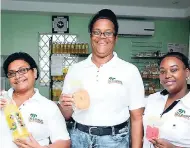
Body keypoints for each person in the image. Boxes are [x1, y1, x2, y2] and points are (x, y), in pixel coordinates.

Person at [58, 9, 145, 148]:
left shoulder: (130, 71)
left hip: (115, 141)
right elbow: (66, 114)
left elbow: (137, 118)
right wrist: (64, 106)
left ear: (116, 38)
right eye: (97, 32)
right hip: (79, 138)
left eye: (108, 33)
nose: (102, 37)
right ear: (91, 36)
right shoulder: (75, 70)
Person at [0, 52, 70, 148]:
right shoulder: (2, 100)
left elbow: (64, 142)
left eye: (22, 70)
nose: (17, 76)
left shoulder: (49, 106)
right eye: (11, 73)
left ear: (35, 72)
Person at [143, 52, 190, 148]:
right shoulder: (152, 99)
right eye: (162, 71)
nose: (167, 75)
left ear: (187, 73)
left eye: (174, 70)